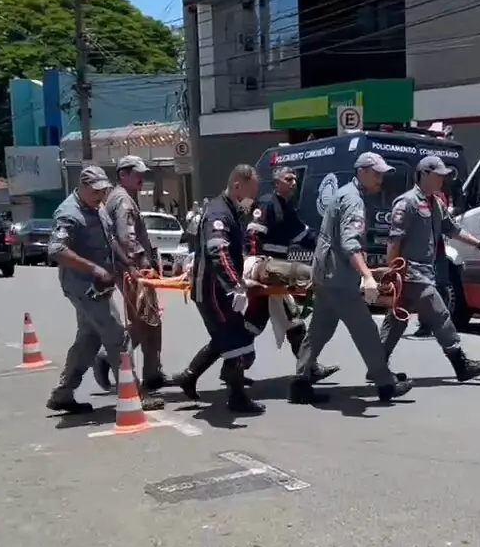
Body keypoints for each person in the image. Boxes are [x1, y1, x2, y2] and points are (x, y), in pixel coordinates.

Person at [288, 152, 413, 404]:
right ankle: (385, 384)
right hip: (339, 280)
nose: (381, 179)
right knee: (366, 330)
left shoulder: (343, 194)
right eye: (377, 173)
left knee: (319, 330)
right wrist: (367, 276)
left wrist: (369, 271)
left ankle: (300, 382)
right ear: (363, 171)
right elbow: (349, 244)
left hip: (326, 274)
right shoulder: (353, 200)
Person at [45, 166, 164, 413]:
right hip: (83, 285)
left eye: (103, 191)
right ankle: (133, 394)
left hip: (101, 284)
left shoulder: (97, 207)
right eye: (96, 191)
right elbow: (56, 250)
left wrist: (128, 264)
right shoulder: (69, 213)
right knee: (117, 336)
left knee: (88, 339)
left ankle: (63, 393)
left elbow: (110, 239)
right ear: (83, 186)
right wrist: (94, 269)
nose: (100, 196)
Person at [378, 156, 480, 382]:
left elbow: (453, 230)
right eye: (438, 175)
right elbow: (394, 242)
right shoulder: (407, 203)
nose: (443, 179)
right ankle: (460, 364)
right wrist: (392, 275)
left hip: (425, 272)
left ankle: (377, 363)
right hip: (411, 274)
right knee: (440, 314)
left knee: (397, 320)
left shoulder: (436, 203)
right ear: (424, 174)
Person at [169, 165, 266, 414]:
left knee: (227, 337)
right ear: (237, 187)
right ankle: (236, 398)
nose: (252, 200)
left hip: (219, 288)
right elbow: (218, 251)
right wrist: (236, 285)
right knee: (235, 339)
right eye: (250, 193)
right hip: (214, 289)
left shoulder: (229, 210)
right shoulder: (219, 213)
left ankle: (190, 376)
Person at [246, 165, 340, 382]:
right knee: (258, 322)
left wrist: (327, 246)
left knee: (284, 320)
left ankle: (309, 367)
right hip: (265, 270)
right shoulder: (267, 203)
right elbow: (252, 237)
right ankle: (225, 366)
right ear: (277, 182)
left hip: (278, 272)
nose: (294, 183)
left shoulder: (286, 208)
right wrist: (252, 271)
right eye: (289, 179)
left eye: (295, 179)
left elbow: (305, 236)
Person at [92, 156, 169, 392]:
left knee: (151, 320)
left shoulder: (119, 197)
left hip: (132, 267)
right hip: (133, 269)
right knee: (144, 321)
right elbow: (127, 239)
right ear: (122, 175)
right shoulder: (123, 201)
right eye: (137, 173)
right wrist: (140, 266)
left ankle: (153, 372)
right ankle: (107, 356)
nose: (141, 178)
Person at [407, 189, 453, 338]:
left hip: (437, 250)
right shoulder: (415, 199)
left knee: (437, 286)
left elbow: (448, 224)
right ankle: (426, 324)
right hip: (426, 252)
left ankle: (433, 324)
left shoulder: (439, 198)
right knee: (426, 288)